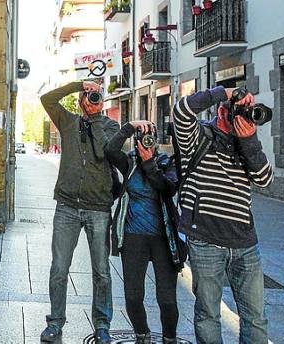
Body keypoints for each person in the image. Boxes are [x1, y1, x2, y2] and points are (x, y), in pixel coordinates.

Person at [172, 86, 274, 343]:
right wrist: (226, 93)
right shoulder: (199, 136)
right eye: (240, 112)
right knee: (208, 314)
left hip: (245, 243)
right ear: (221, 111)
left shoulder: (247, 143)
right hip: (205, 240)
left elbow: (264, 179)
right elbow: (181, 111)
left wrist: (249, 140)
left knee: (256, 318)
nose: (245, 118)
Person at [39, 81, 120, 344]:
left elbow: (102, 151)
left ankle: (102, 325)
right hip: (67, 206)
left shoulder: (111, 126)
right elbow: (47, 99)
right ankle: (55, 323)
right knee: (59, 268)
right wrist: (77, 85)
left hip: (98, 208)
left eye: (96, 95)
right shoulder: (68, 121)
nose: (92, 98)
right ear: (81, 98)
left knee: (101, 272)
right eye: (88, 95)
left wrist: (95, 117)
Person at [105, 121, 182, 344]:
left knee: (167, 298)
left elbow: (168, 188)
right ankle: (142, 334)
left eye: (151, 137)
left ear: (157, 141)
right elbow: (110, 150)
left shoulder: (167, 162)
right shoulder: (129, 161)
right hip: (133, 236)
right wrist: (129, 127)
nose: (147, 140)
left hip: (164, 238)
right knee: (133, 296)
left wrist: (150, 163)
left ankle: (169, 338)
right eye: (143, 137)